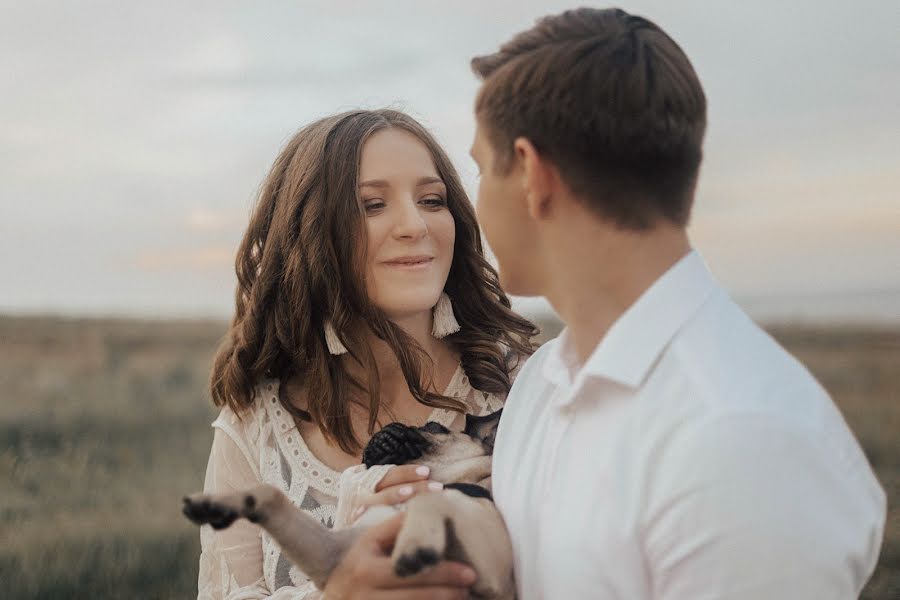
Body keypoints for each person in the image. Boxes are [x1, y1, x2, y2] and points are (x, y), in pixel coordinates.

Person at [324, 7, 887, 600]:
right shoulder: (544, 383)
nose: (473, 210)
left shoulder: (743, 440)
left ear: (534, 177)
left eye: (484, 170)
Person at [196, 108, 536, 599]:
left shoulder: (526, 389)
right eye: (373, 205)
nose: (414, 225)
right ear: (310, 231)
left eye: (432, 199)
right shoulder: (255, 424)